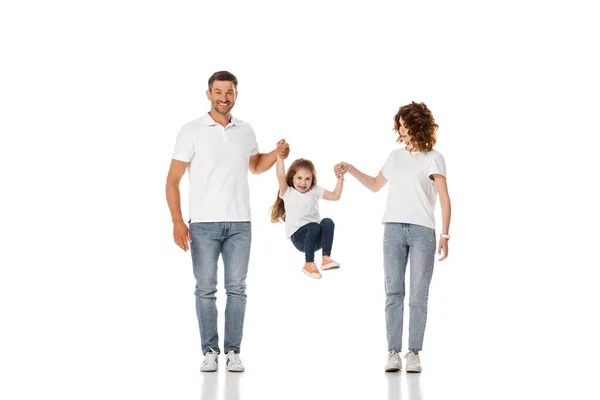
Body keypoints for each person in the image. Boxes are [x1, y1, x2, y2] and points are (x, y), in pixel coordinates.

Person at [165, 71, 290, 373]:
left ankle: (233, 351)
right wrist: (177, 222)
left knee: (237, 289)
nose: (224, 98)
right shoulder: (191, 130)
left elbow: (256, 166)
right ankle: (210, 350)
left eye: (229, 92)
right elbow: (172, 180)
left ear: (236, 95)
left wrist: (277, 153)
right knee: (205, 289)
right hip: (203, 224)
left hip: (239, 224)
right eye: (218, 92)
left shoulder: (245, 130)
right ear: (208, 94)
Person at [335, 101, 451, 373]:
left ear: (417, 125)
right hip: (393, 229)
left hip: (423, 230)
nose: (400, 130)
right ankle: (393, 352)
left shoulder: (434, 158)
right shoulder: (394, 156)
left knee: (418, 294)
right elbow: (376, 185)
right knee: (393, 292)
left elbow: (444, 198)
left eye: (404, 124)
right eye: (398, 125)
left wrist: (445, 233)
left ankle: (414, 352)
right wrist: (350, 168)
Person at [270, 154, 344, 279]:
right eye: (299, 178)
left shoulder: (314, 190)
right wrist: (280, 156)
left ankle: (326, 258)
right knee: (314, 226)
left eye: (307, 179)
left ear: (312, 179)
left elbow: (335, 196)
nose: (303, 182)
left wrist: (340, 177)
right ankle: (309, 263)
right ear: (292, 178)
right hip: (300, 239)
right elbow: (280, 175)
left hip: (316, 240)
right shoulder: (288, 192)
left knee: (327, 222)